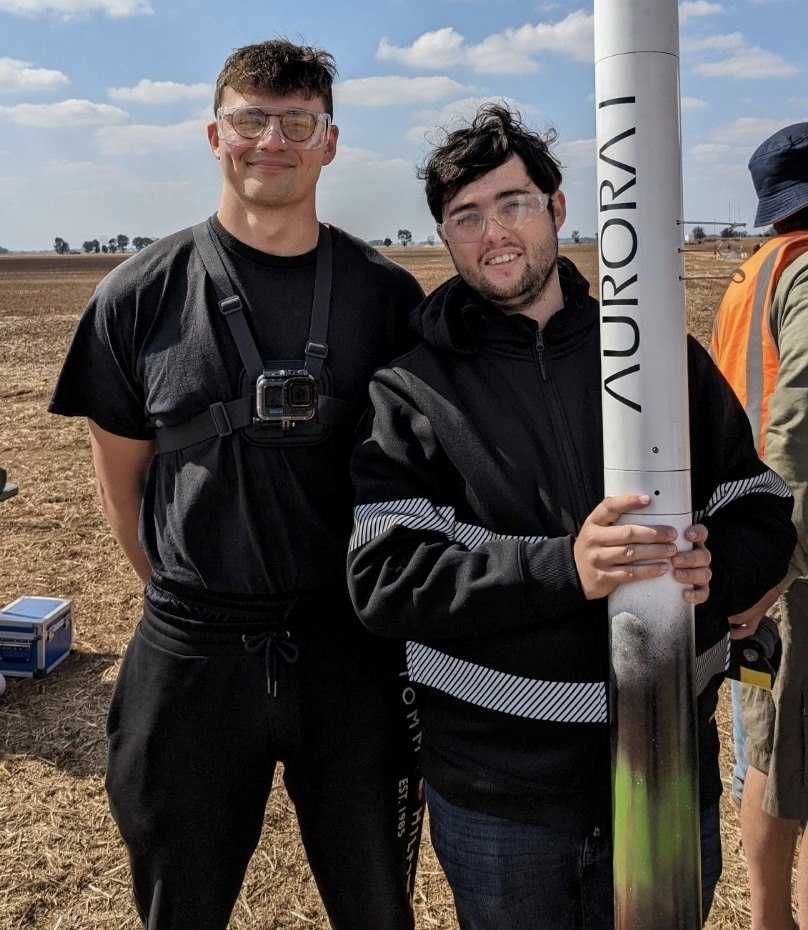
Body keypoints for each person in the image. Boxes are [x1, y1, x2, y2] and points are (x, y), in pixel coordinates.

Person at [346, 104, 797, 930]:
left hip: (665, 775)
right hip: (500, 801)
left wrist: (715, 564)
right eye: (467, 217)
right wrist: (567, 567)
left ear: (558, 208)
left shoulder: (662, 356)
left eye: (513, 203)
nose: (495, 234)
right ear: (445, 237)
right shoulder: (412, 390)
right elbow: (385, 576)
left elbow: (761, 505)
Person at [48, 39, 425, 930]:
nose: (273, 140)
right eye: (251, 119)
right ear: (213, 135)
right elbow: (122, 486)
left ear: (330, 141)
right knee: (180, 905)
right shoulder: (136, 295)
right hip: (192, 658)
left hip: (352, 651)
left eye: (298, 121)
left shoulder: (388, 297)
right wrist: (190, 602)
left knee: (378, 904)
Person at [711, 122, 808, 930]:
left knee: (762, 755)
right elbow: (798, 422)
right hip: (795, 570)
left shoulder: (750, 276)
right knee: (790, 770)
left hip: (757, 557)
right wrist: (786, 555)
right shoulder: (807, 271)